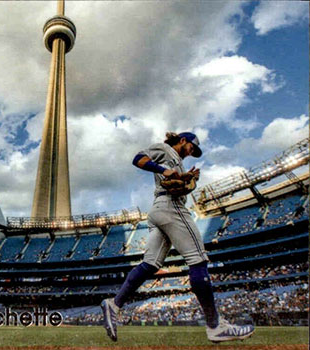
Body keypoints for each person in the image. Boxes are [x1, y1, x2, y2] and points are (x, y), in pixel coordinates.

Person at [101, 132, 255, 343]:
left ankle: (114, 304)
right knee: (198, 260)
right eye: (192, 147)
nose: (192, 152)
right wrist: (164, 170)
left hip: (162, 209)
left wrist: (188, 181)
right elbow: (138, 159)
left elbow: (175, 182)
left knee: (150, 264)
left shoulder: (179, 163)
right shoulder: (165, 150)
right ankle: (215, 326)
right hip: (171, 208)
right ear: (183, 140)